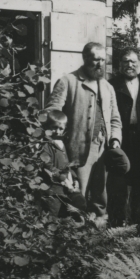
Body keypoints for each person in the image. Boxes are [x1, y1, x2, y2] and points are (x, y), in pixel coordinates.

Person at [45, 41, 123, 208]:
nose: (100, 64)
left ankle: (99, 224)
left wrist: (115, 139)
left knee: (100, 197)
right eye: (96, 59)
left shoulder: (108, 87)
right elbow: (51, 112)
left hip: (103, 148)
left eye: (103, 60)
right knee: (76, 195)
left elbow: (115, 119)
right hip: (76, 149)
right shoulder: (68, 81)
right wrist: (58, 142)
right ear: (85, 58)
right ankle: (76, 224)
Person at [108, 47, 140, 228]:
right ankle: (117, 226)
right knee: (117, 187)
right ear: (120, 64)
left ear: (139, 64)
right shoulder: (111, 85)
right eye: (125, 61)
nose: (129, 64)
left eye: (133, 61)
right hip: (121, 141)